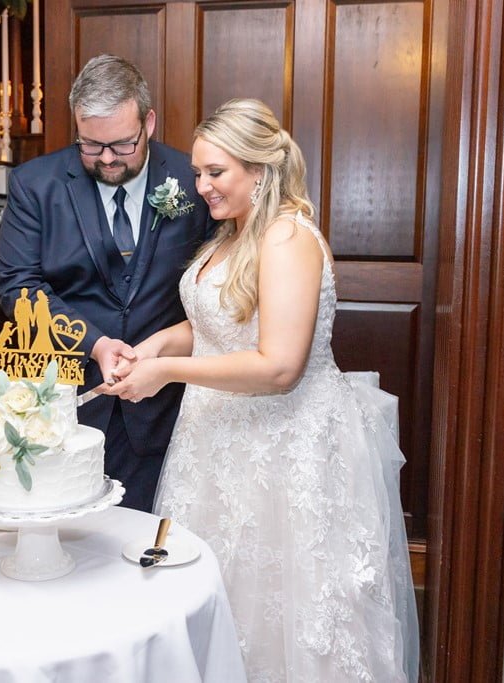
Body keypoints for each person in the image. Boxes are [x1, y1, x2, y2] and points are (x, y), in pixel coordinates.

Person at [105, 99, 420, 681]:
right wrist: (155, 347)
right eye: (198, 173)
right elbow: (216, 323)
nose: (200, 186)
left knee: (284, 611)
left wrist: (169, 374)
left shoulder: (287, 237)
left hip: (281, 449)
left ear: (260, 169)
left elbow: (279, 367)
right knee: (219, 594)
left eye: (215, 172)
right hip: (217, 446)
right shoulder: (234, 234)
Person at [0, 54, 215, 512]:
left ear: (148, 122)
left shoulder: (193, 183)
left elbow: (219, 287)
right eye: (91, 146)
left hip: (166, 405)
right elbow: (18, 288)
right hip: (68, 404)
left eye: (121, 144)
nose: (108, 159)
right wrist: (95, 344)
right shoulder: (35, 185)